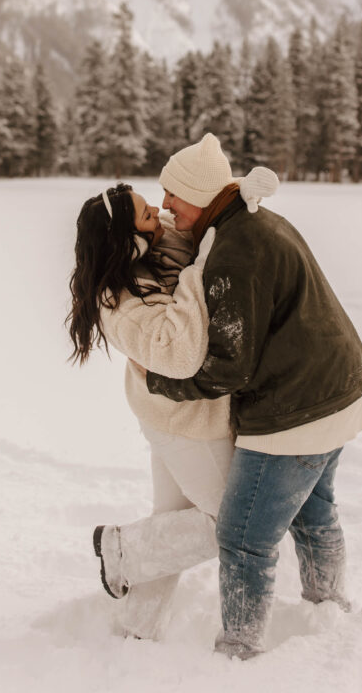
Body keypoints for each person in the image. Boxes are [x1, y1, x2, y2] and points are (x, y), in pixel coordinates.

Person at [139, 133, 362, 659]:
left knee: (244, 537)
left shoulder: (236, 248)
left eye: (172, 196)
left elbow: (229, 365)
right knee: (315, 512)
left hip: (299, 409)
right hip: (341, 390)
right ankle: (328, 607)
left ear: (200, 195)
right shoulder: (248, 223)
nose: (164, 207)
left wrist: (158, 380)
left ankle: (239, 649)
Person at [67, 174, 276, 640]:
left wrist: (238, 194)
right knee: (232, 524)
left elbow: (187, 219)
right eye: (146, 215)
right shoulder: (121, 302)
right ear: (128, 243)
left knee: (171, 524)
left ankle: (137, 629)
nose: (159, 218)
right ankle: (122, 549)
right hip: (186, 427)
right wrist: (199, 272)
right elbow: (178, 353)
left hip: (170, 418)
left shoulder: (147, 255)